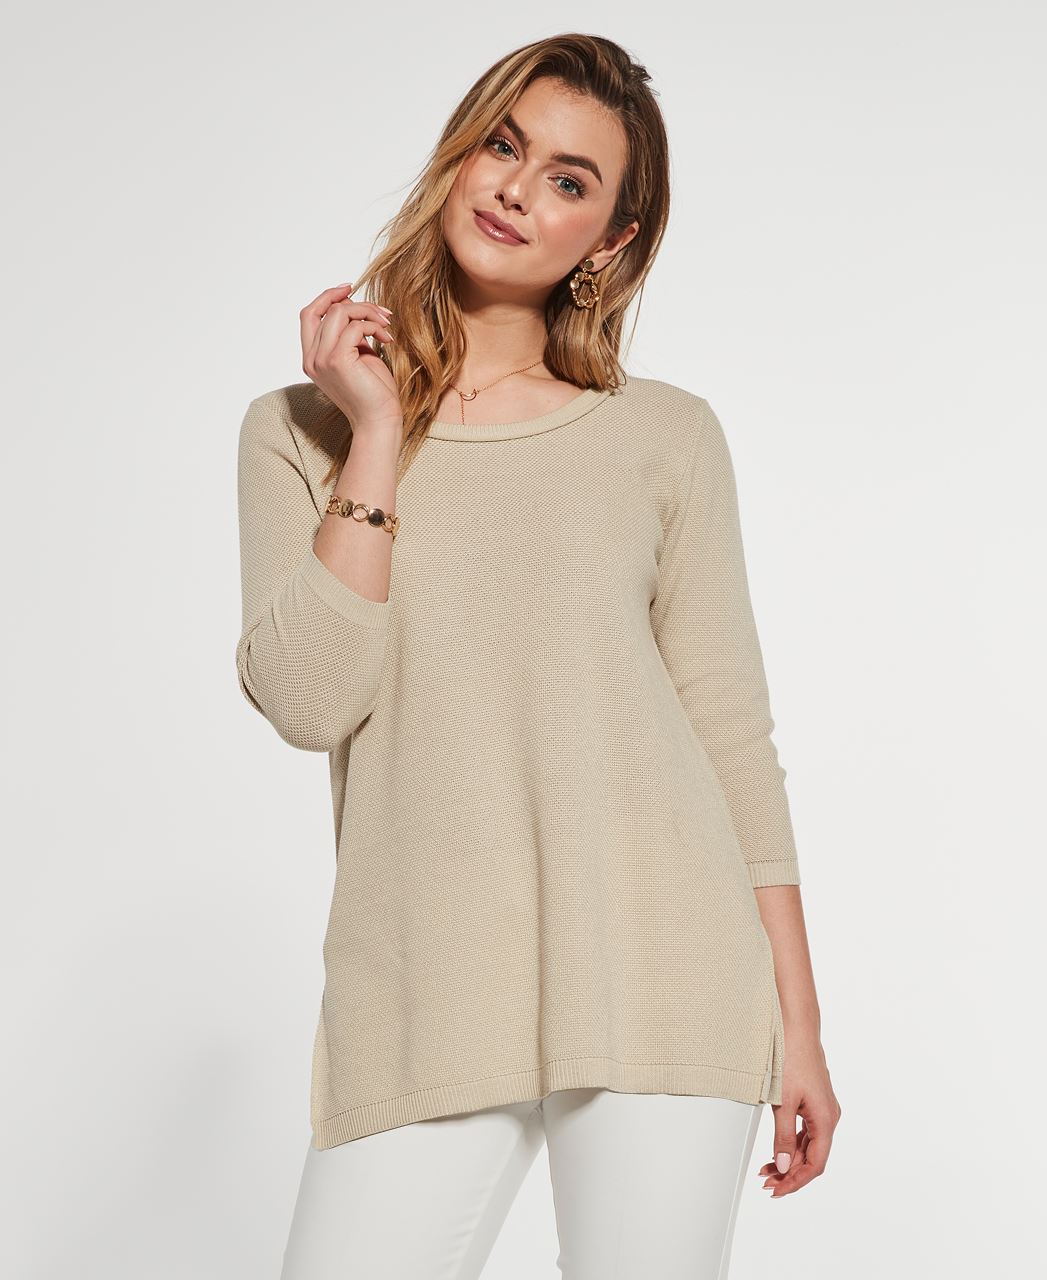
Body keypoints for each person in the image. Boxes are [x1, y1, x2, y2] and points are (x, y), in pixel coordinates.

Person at [235, 32, 840, 1280]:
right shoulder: (301, 428)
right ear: (459, 154)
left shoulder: (663, 436)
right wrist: (377, 431)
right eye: (504, 146)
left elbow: (729, 731)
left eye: (569, 180)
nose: (517, 189)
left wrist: (800, 1022)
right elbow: (307, 699)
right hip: (427, 981)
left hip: (664, 962)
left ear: (608, 241)